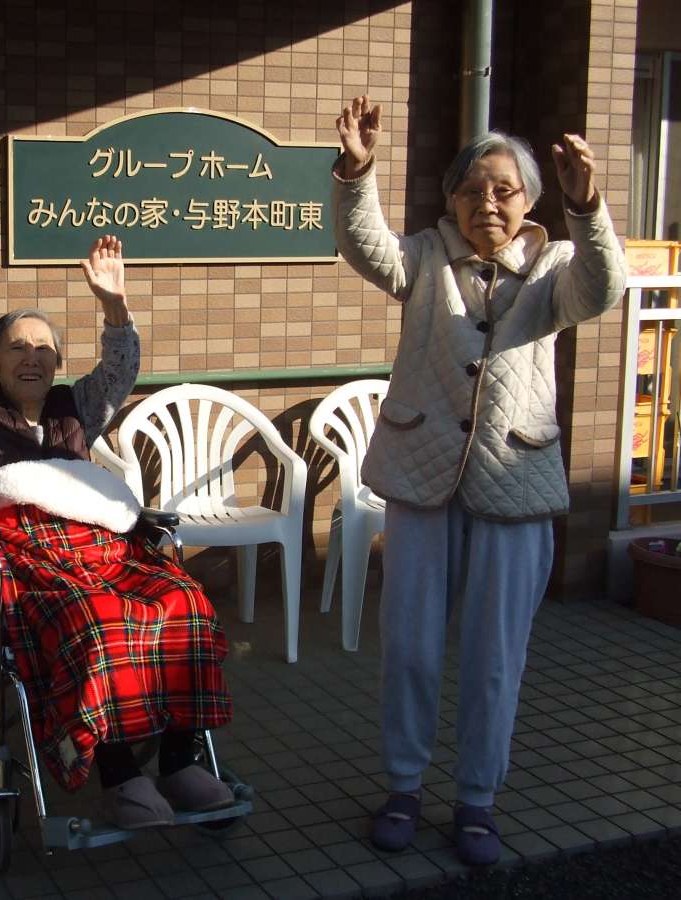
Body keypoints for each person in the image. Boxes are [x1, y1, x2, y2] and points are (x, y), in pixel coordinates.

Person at [331, 96, 627, 865]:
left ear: (529, 201)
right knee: (410, 646)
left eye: (503, 190)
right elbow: (366, 246)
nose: (486, 202)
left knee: (496, 657)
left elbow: (605, 287)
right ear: (451, 198)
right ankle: (403, 787)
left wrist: (588, 206)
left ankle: (476, 802)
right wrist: (357, 174)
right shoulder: (426, 256)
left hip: (515, 483)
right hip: (421, 477)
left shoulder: (554, 267)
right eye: (471, 189)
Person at [0, 223, 235, 829]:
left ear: (57, 362)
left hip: (98, 549)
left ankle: (180, 763)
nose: (31, 357)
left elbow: (119, 372)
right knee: (98, 622)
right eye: (16, 348)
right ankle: (121, 777)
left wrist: (114, 304)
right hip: (27, 559)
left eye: (43, 348)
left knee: (186, 602)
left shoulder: (75, 409)